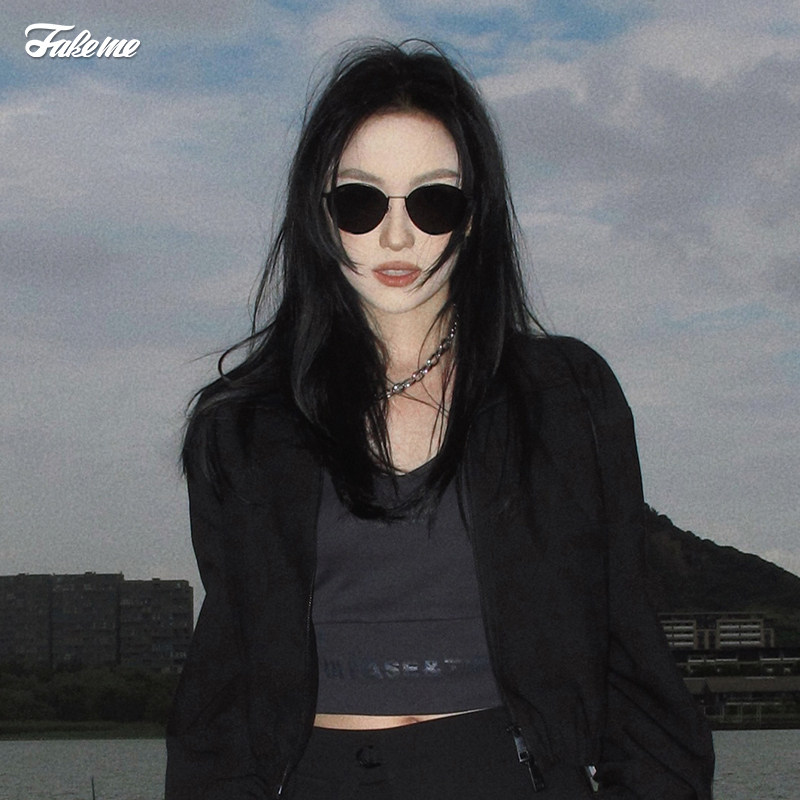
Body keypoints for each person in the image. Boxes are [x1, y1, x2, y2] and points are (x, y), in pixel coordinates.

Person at [165, 40, 715, 800]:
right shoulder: (243, 427)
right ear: (316, 211)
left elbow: (630, 646)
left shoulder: (564, 395)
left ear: (475, 214)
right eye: (360, 201)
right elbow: (224, 686)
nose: (397, 237)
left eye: (433, 202)